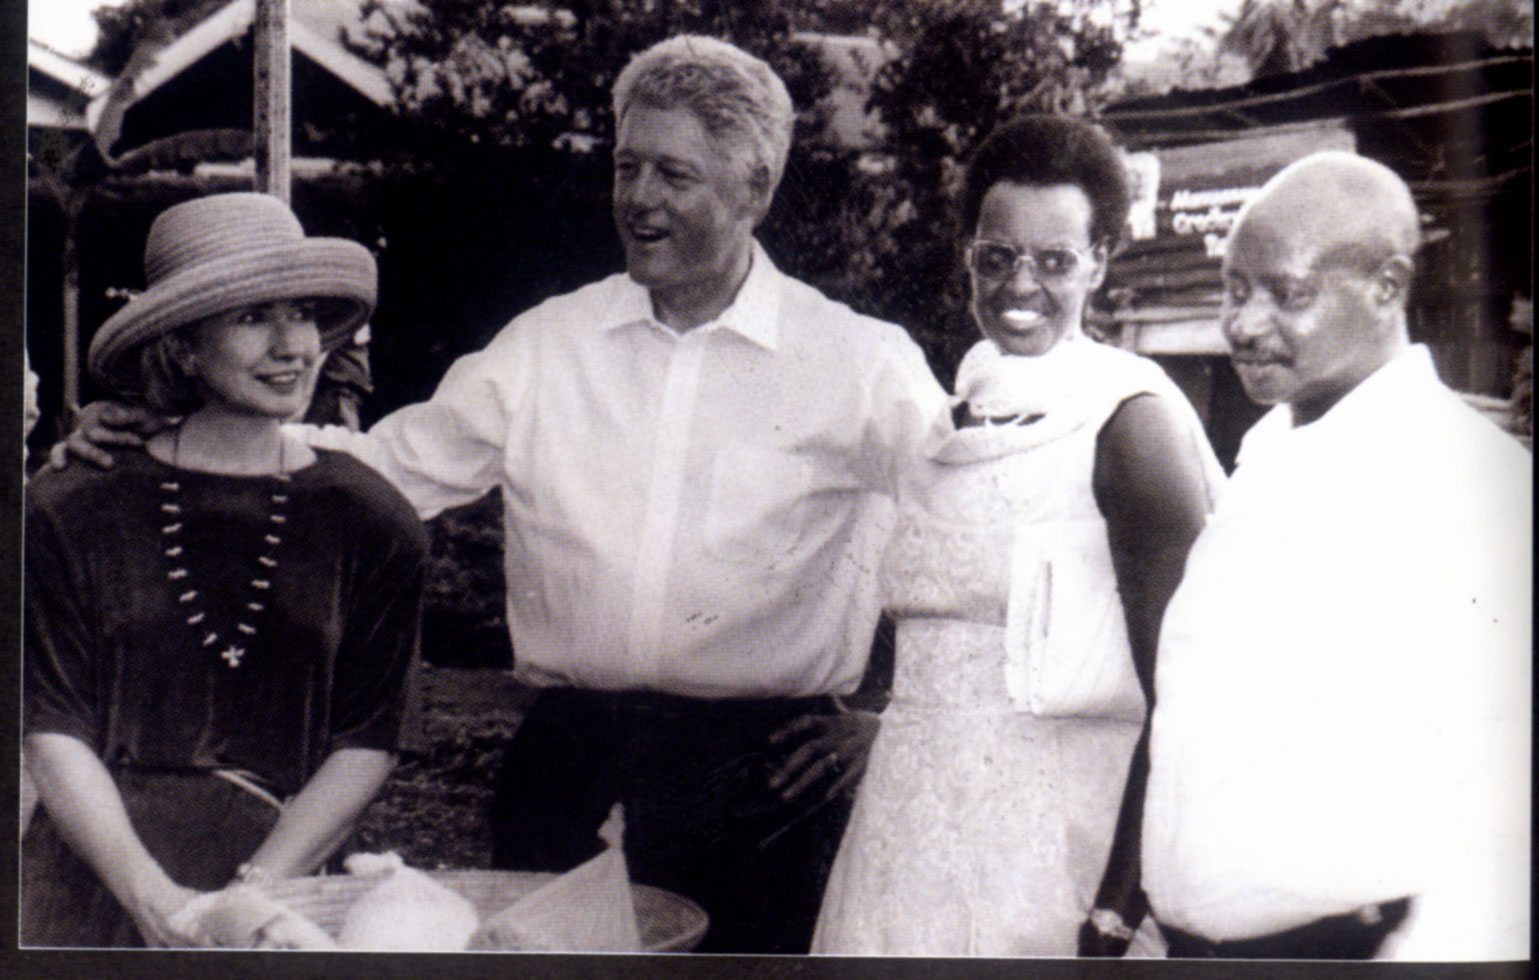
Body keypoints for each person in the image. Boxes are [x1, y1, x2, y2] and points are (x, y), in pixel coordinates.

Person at [59, 36, 947, 954]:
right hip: (567, 769)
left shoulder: (859, 363)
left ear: (754, 188)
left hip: (766, 784)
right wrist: (158, 448)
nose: (638, 199)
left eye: (674, 174)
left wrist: (896, 720)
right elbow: (377, 469)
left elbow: (986, 532)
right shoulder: (548, 345)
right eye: (626, 165)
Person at [810, 115, 1224, 956]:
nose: (1019, 286)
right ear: (966, 251)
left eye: (1055, 261)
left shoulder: (1127, 424)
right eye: (996, 256)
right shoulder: (939, 429)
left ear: (1100, 262)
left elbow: (1187, 696)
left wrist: (1117, 904)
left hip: (1052, 860)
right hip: (902, 843)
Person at [1140, 151, 1531, 960]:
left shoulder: (1468, 484)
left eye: (1287, 294)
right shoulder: (1264, 463)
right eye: (1234, 288)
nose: (1244, 324)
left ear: (1387, 288)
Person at [23, 192, 427, 947]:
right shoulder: (69, 506)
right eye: (250, 317)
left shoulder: (373, 520)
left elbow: (366, 740)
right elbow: (51, 727)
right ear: (181, 347)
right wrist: (155, 902)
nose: (290, 345)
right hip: (89, 889)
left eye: (301, 313)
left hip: (282, 900)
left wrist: (248, 905)